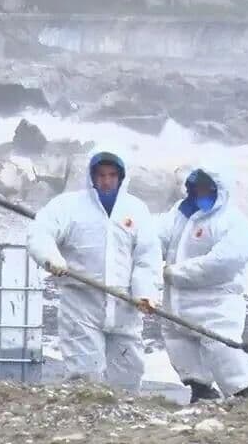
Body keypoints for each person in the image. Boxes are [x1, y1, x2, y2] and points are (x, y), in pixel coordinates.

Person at [27, 150, 161, 392]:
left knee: (128, 373)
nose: (106, 181)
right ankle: (84, 420)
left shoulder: (136, 209)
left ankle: (123, 422)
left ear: (121, 177)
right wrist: (51, 259)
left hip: (124, 306)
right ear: (91, 176)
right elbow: (40, 233)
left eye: (111, 175)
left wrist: (146, 293)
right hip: (81, 303)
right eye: (101, 175)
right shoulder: (68, 206)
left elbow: (146, 258)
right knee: (85, 374)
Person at [158, 165, 248, 403]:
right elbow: (155, 240)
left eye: (206, 186)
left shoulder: (232, 222)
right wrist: (145, 257)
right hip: (176, 304)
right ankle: (201, 391)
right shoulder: (180, 215)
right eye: (196, 186)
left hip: (215, 304)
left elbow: (223, 263)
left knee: (221, 347)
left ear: (219, 188)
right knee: (179, 344)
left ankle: (245, 395)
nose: (200, 191)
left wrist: (174, 273)